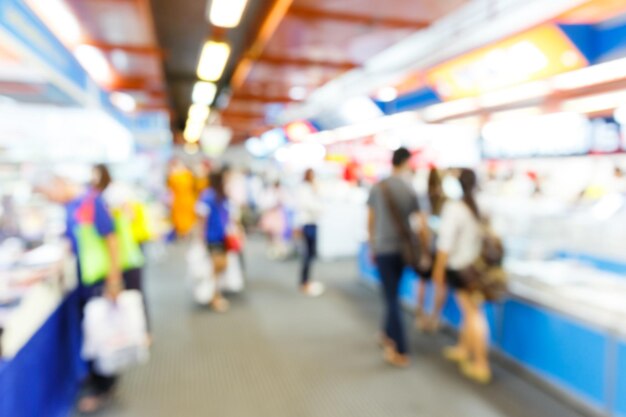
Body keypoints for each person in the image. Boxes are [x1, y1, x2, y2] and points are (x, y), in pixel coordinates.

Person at [367, 148, 429, 367]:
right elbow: (421, 223)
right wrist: (424, 249)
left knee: (390, 296)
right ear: (405, 162)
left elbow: (371, 220)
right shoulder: (410, 189)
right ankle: (386, 333)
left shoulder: (378, 187)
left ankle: (400, 348)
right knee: (392, 293)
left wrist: (371, 245)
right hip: (403, 250)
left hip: (383, 248)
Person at [429, 169, 491, 384]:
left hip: (461, 268)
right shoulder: (481, 205)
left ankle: (481, 363)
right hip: (478, 267)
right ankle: (464, 349)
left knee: (473, 313)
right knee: (470, 311)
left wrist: (438, 270)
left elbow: (445, 243)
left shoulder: (454, 208)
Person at [196, 169, 233, 313]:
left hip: (223, 235)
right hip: (212, 236)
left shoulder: (222, 196)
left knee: (222, 265)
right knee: (216, 266)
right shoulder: (207, 196)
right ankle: (214, 295)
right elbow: (202, 218)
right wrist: (202, 236)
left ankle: (215, 293)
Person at [295, 169, 325, 297]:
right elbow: (309, 205)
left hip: (313, 223)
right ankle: (304, 282)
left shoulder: (312, 188)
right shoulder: (304, 189)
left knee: (311, 254)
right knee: (307, 254)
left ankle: (306, 280)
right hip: (307, 224)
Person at [167, 158, 196, 239]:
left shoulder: (176, 175)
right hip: (184, 200)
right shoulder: (187, 174)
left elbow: (171, 191)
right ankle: (184, 233)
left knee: (183, 218)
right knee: (183, 218)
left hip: (181, 200)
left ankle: (184, 233)